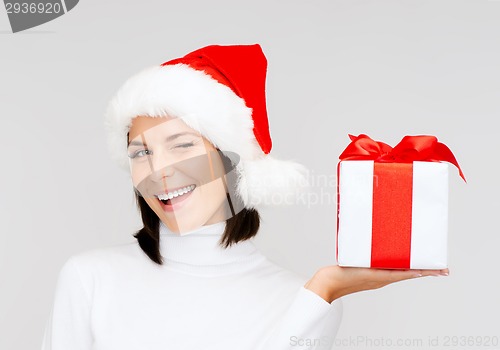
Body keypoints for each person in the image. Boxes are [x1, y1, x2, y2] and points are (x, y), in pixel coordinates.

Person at [41, 44, 448, 350]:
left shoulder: (301, 301)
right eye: (140, 152)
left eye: (182, 145)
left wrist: (323, 292)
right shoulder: (90, 279)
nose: (159, 171)